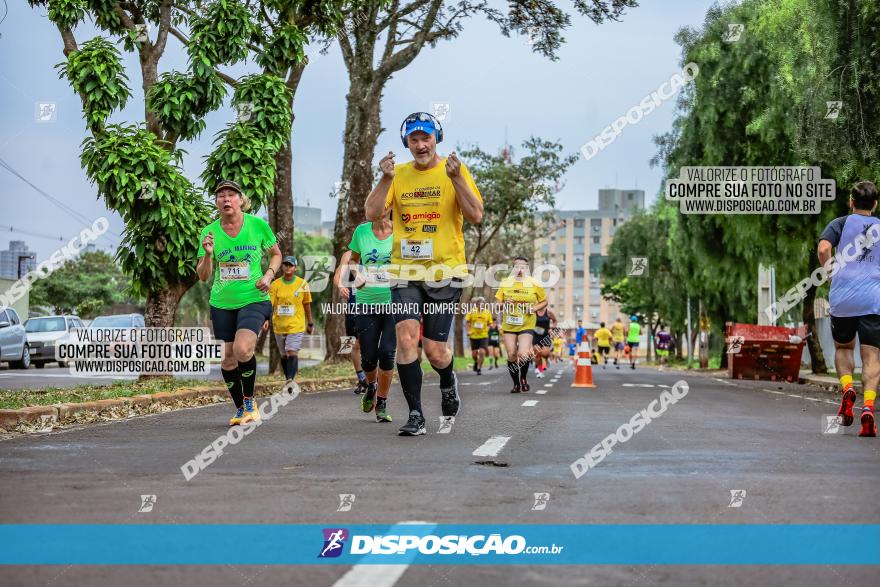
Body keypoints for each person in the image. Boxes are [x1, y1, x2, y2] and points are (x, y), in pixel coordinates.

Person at [365, 111, 483, 436]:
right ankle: (415, 414)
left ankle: (447, 380)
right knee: (405, 338)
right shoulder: (398, 175)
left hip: (445, 273)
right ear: (407, 143)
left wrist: (457, 178)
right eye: (414, 139)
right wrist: (385, 179)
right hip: (406, 272)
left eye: (425, 138)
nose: (420, 144)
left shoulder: (452, 171)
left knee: (435, 351)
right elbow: (372, 213)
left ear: (436, 139)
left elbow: (475, 215)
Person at [197, 180, 281, 426]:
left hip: (254, 297)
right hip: (222, 302)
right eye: (220, 196)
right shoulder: (209, 232)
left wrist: (268, 275)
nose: (225, 199)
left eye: (230, 195)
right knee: (227, 358)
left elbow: (276, 254)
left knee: (243, 349)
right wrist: (209, 255)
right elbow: (203, 276)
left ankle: (249, 401)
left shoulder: (257, 226)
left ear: (240, 200)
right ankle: (242, 407)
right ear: (217, 203)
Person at [817, 181, 880, 437]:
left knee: (844, 348)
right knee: (872, 357)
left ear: (851, 201)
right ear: (875, 204)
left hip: (843, 298)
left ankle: (847, 390)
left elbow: (823, 248)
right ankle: (867, 408)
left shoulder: (840, 224)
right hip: (873, 299)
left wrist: (831, 272)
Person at [337, 213, 396, 423]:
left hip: (394, 302)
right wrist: (357, 274)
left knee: (388, 353)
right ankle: (371, 386)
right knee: (369, 356)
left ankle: (382, 402)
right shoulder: (362, 231)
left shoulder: (400, 230)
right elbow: (352, 259)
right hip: (365, 302)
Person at [496, 256, 547, 393]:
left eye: (523, 266)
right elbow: (498, 305)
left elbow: (544, 301)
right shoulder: (505, 283)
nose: (520, 269)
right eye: (517, 266)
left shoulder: (534, 283)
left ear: (527, 268)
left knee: (523, 355)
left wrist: (534, 308)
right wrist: (504, 304)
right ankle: (516, 384)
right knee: (512, 354)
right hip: (509, 325)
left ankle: (523, 378)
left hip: (526, 324)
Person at [268, 256, 313, 393]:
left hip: (296, 325)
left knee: (291, 351)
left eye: (291, 265)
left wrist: (310, 322)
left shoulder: (302, 284)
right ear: (282, 267)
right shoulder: (275, 285)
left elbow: (307, 304)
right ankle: (288, 378)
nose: (288, 267)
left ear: (295, 268)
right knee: (284, 355)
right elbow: (270, 304)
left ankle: (290, 379)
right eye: (285, 264)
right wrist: (265, 319)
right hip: (279, 325)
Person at [465, 297, 493, 375]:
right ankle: (476, 362)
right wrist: (468, 331)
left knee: (482, 352)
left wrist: (489, 326)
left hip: (484, 336)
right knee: (474, 354)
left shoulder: (487, 312)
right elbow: (467, 322)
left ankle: (479, 368)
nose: (481, 306)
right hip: (473, 336)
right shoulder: (471, 312)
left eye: (483, 304)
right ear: (476, 305)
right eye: (479, 304)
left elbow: (490, 323)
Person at [533, 307, 558, 378]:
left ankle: (546, 360)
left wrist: (552, 328)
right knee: (537, 355)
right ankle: (540, 371)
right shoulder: (534, 312)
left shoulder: (548, 313)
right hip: (535, 336)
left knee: (545, 353)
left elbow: (555, 321)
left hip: (545, 336)